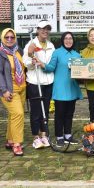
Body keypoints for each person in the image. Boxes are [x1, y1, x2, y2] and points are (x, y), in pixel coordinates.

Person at [37, 32, 83, 147]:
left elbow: (81, 72)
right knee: (60, 114)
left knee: (69, 114)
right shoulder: (57, 53)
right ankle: (59, 136)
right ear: (62, 40)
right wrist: (42, 64)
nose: (68, 41)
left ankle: (67, 135)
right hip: (60, 89)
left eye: (70, 38)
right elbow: (51, 67)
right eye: (66, 38)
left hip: (72, 88)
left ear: (73, 40)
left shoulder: (77, 55)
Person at [0, 28, 26, 156]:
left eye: (12, 37)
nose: (9, 39)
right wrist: (4, 90)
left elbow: (24, 66)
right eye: (7, 37)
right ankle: (17, 144)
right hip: (9, 91)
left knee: (14, 115)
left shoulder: (19, 51)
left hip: (22, 88)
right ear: (2, 38)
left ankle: (10, 140)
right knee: (18, 114)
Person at [22, 20, 55, 149]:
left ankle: (44, 134)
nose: (45, 31)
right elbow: (27, 64)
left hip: (48, 82)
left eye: (47, 29)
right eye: (42, 29)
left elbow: (52, 64)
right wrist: (30, 55)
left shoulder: (51, 45)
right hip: (35, 82)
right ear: (37, 30)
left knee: (45, 110)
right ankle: (36, 137)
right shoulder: (31, 44)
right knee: (36, 111)